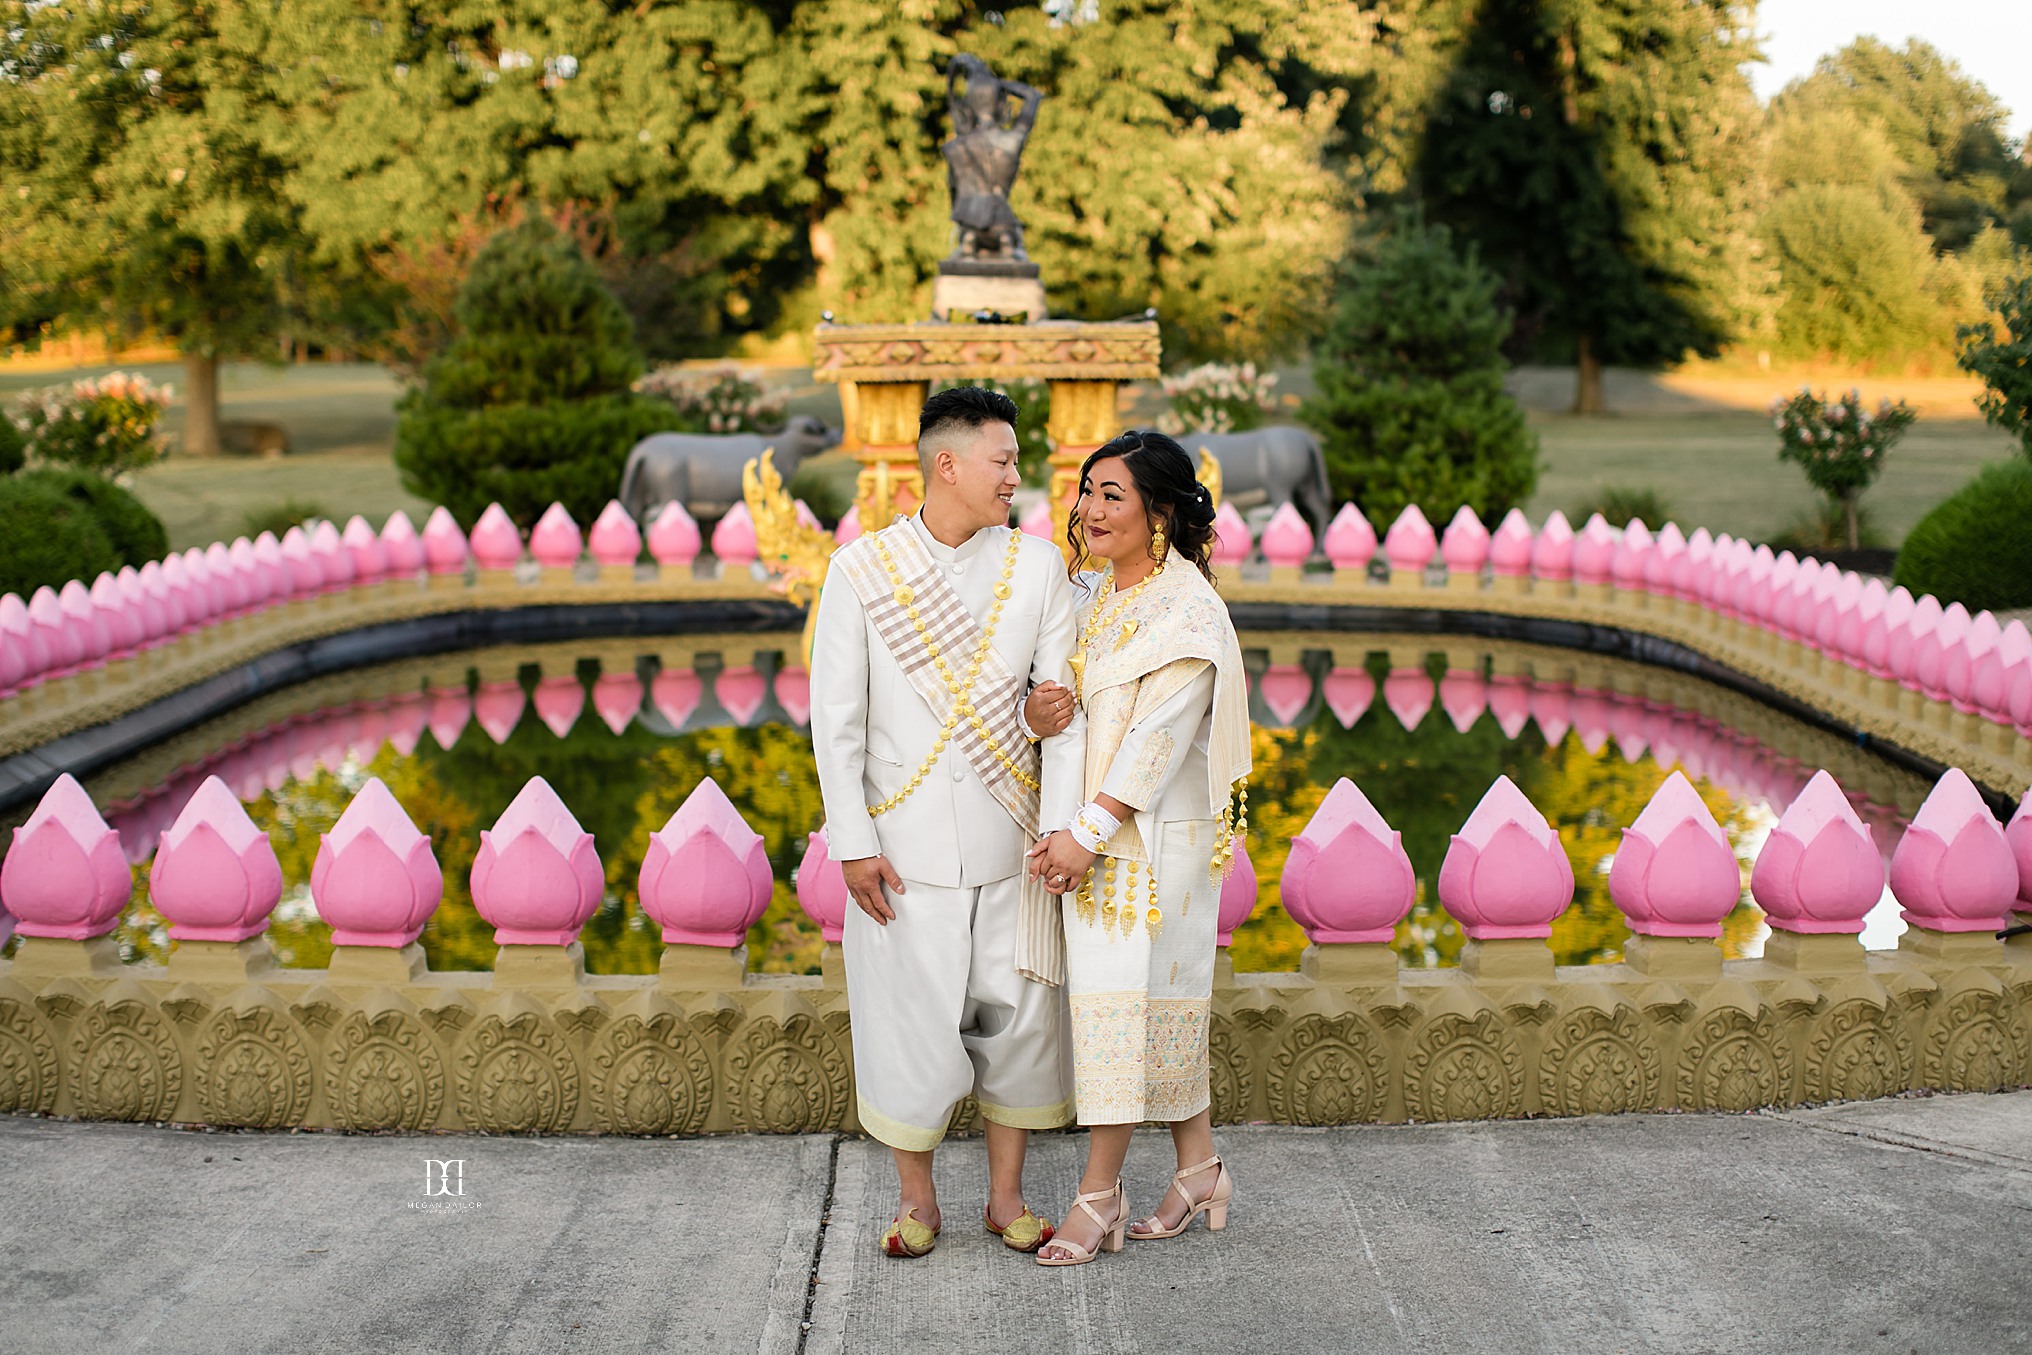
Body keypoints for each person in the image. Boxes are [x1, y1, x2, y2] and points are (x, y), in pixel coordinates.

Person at [810, 385, 1086, 1259]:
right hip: (900, 846)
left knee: (1020, 1023)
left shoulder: (1040, 567)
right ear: (948, 463)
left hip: (1014, 838)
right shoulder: (862, 571)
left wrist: (1049, 718)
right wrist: (852, 843)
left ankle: (1005, 1198)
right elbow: (836, 720)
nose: (1015, 475)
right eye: (1002, 459)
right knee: (908, 1024)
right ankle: (917, 1201)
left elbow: (1056, 700)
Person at [1026, 429, 1251, 1267]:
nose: (1088, 511)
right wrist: (1035, 713)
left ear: (1160, 512)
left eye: (1111, 495)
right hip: (1093, 840)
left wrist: (1083, 835)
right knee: (1149, 1010)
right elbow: (1058, 707)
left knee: (1123, 1010)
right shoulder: (1087, 596)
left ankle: (1098, 1196)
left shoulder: (1189, 613)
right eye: (1085, 492)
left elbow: (1153, 745)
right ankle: (1200, 1169)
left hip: (1149, 849)